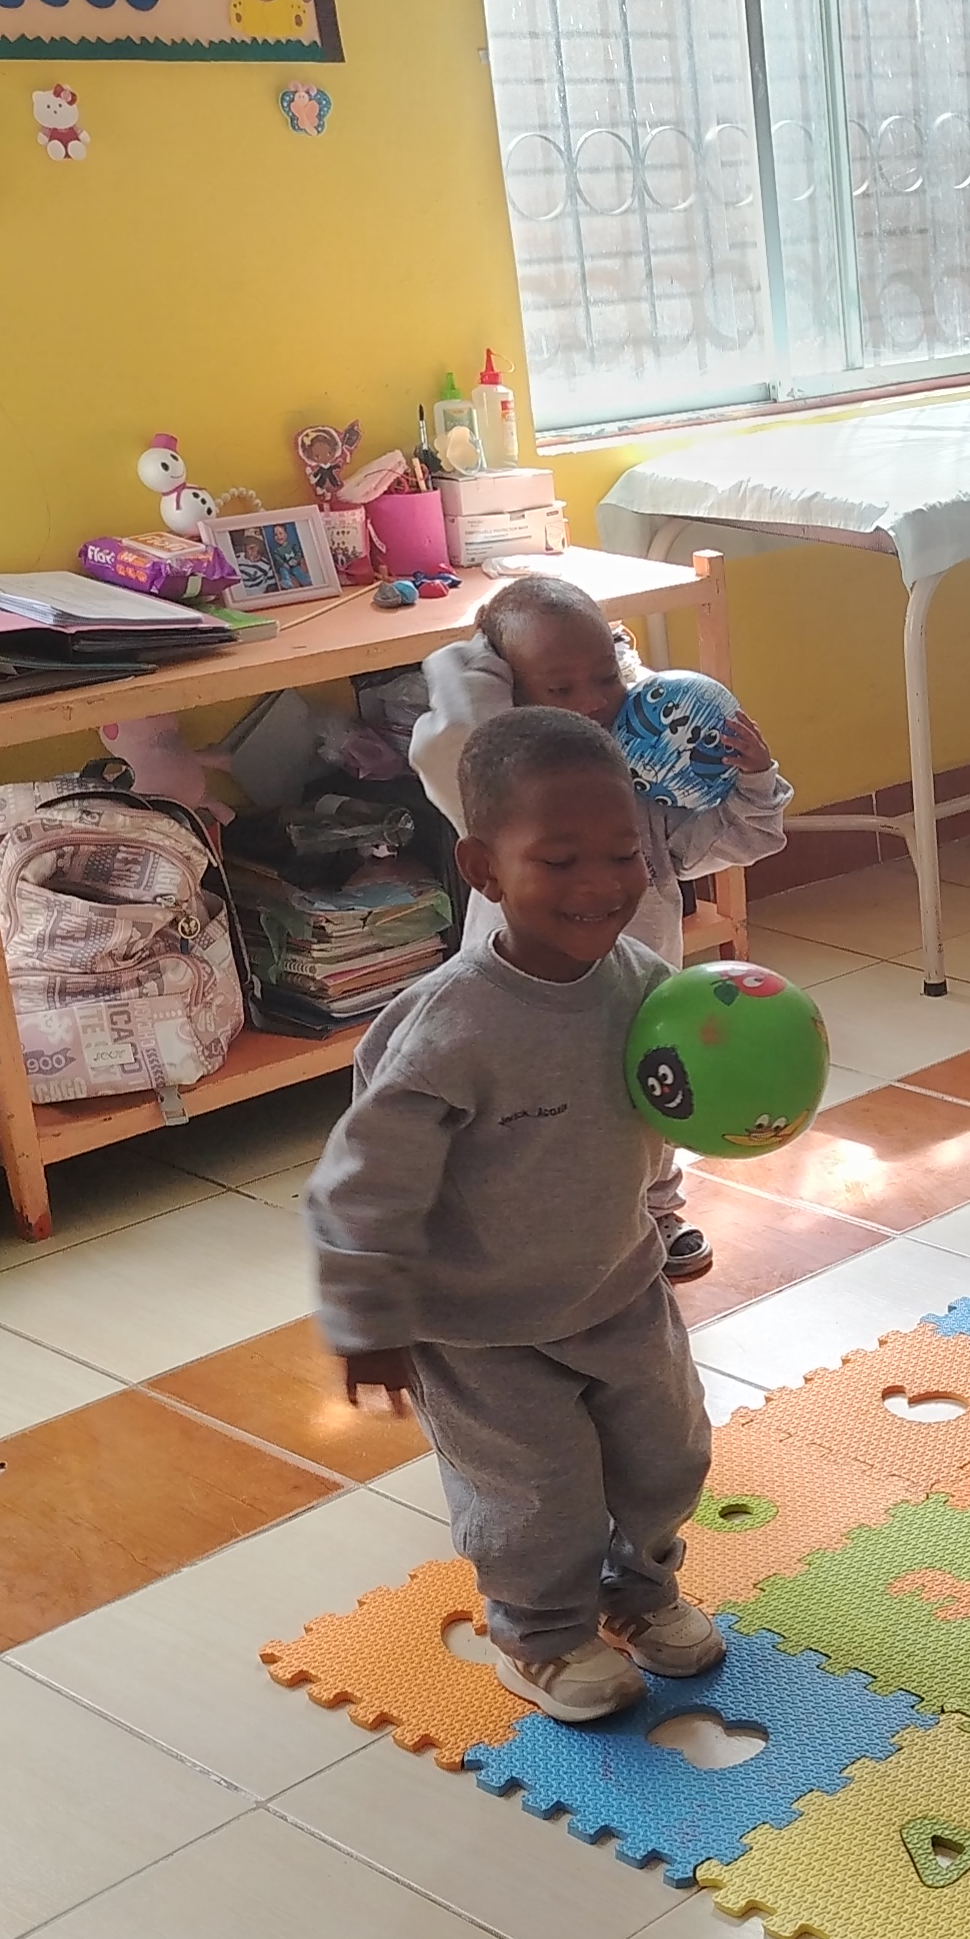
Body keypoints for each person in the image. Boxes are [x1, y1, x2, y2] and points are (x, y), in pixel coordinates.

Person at [313, 707, 723, 1725]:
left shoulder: (645, 988)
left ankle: (638, 1592)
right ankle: (540, 1638)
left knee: (668, 1457)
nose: (600, 883)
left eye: (623, 854)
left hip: (617, 1285)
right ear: (483, 870)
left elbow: (665, 1112)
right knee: (538, 1495)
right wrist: (366, 1316)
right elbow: (363, 1180)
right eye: (559, 859)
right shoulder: (450, 1028)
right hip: (478, 1324)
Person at [412, 574, 792, 1285]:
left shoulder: (639, 791)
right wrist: (480, 649)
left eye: (605, 678)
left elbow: (746, 837)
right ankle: (532, 1227)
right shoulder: (495, 794)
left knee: (650, 1103)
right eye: (559, 688)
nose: (591, 702)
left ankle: (655, 1212)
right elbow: (461, 725)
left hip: (638, 1000)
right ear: (508, 688)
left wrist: (754, 778)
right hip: (524, 1001)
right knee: (534, 1116)